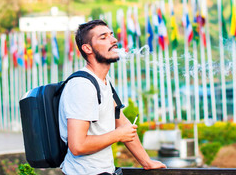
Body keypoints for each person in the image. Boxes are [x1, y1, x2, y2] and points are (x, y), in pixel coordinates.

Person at [59, 19, 166, 175]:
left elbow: (121, 121)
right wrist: (118, 135)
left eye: (111, 35)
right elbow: (78, 146)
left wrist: (147, 162)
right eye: (103, 37)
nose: (114, 40)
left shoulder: (103, 81)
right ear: (87, 48)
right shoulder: (82, 86)